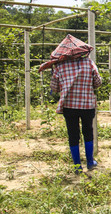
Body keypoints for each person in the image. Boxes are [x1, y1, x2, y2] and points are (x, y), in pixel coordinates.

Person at [40, 35, 102, 174]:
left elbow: (54, 88)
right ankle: (90, 162)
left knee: (73, 134)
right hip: (87, 105)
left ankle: (77, 166)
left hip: (69, 106)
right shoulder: (89, 63)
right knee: (88, 132)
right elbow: (98, 82)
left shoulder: (60, 66)